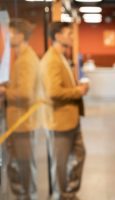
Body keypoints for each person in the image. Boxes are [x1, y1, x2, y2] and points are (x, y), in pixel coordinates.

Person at [40, 22, 88, 200]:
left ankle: (69, 193)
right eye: (68, 33)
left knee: (79, 155)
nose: (72, 36)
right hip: (58, 122)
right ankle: (61, 195)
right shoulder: (51, 60)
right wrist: (78, 91)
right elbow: (53, 92)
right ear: (58, 36)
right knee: (60, 164)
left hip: (70, 120)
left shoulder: (60, 56)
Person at [3, 18, 40, 200]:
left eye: (10, 32)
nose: (7, 36)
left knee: (25, 168)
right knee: (18, 166)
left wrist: (5, 90)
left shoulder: (26, 60)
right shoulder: (22, 58)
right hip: (19, 123)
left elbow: (25, 94)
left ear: (20, 35)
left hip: (23, 124)